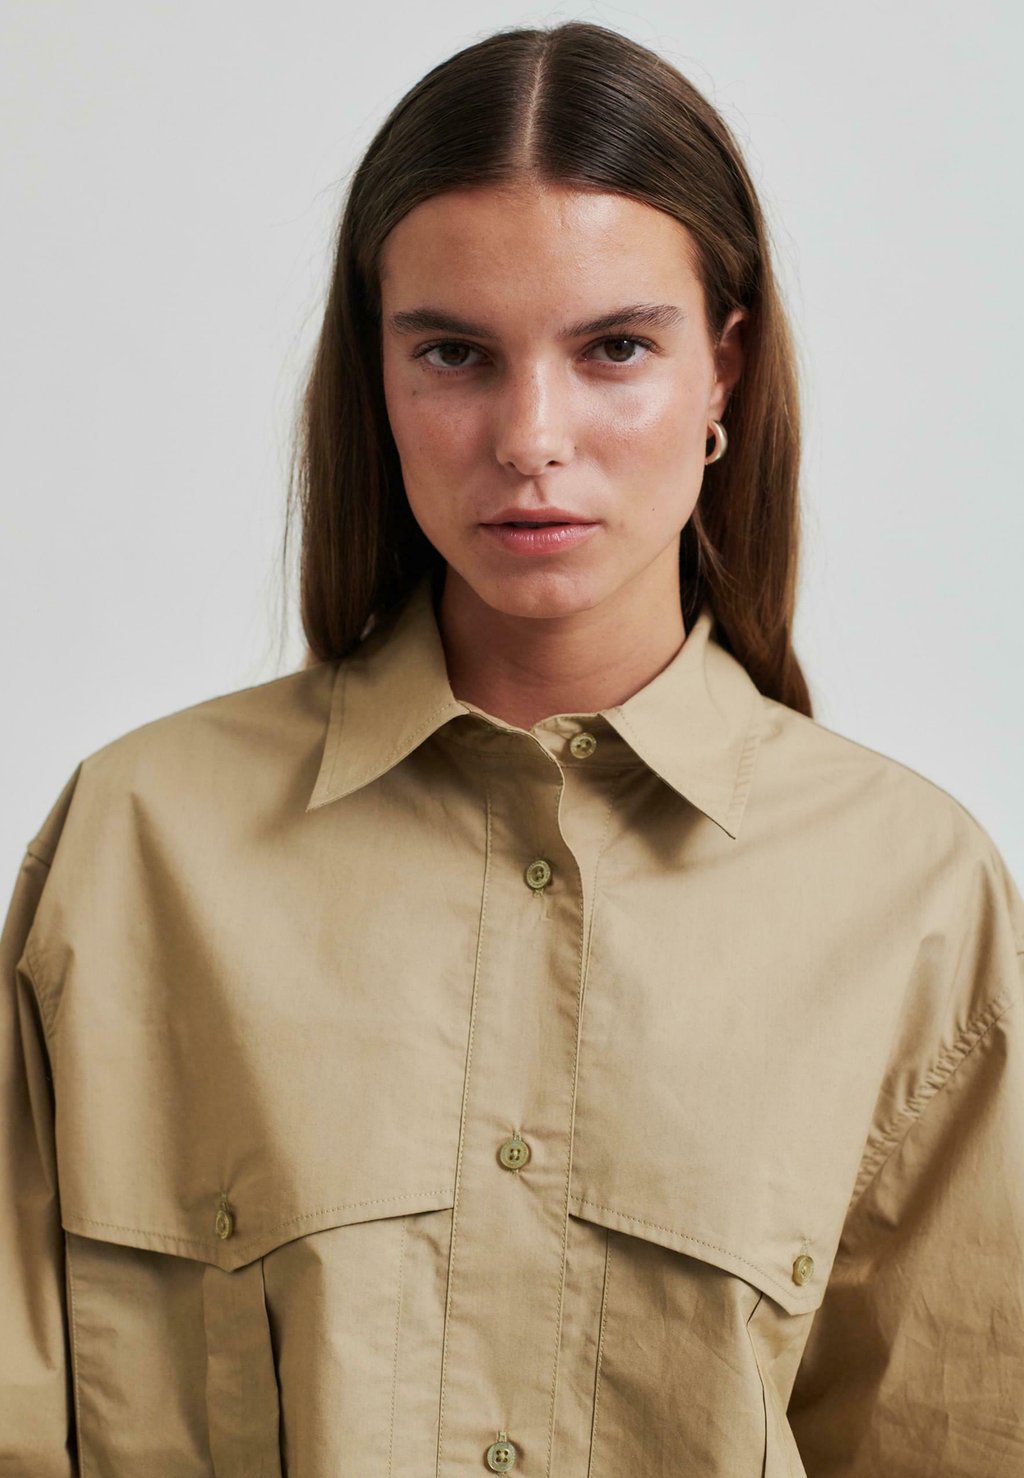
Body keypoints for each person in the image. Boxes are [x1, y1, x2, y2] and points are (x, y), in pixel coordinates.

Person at [2, 19, 1022, 1477]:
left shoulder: (914, 897)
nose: (531, 436)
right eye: (455, 353)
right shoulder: (136, 848)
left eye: (616, 347)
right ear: (376, 376)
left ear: (723, 373)